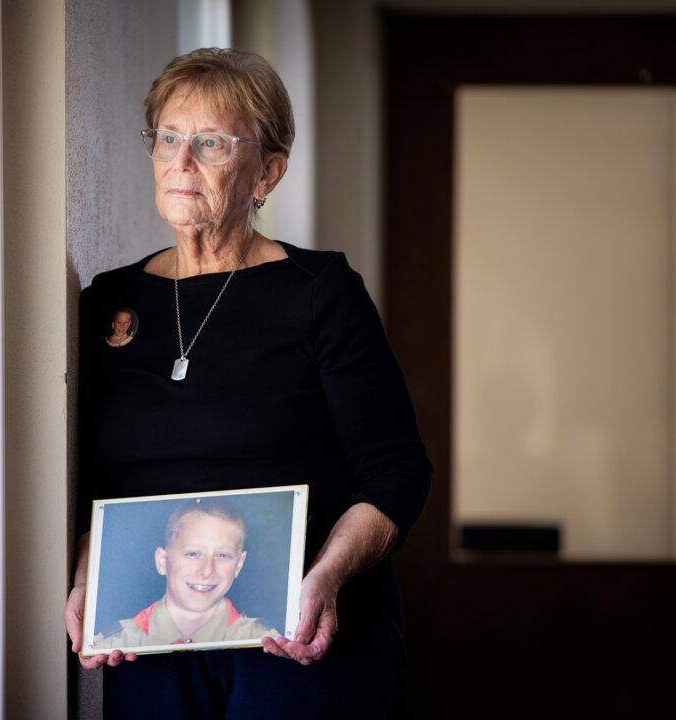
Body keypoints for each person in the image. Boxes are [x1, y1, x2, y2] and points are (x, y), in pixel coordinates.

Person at [63, 47, 432, 718]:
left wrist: (328, 577)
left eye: (210, 143)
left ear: (268, 171)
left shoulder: (321, 294)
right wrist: (91, 571)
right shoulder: (108, 303)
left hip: (300, 642)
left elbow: (397, 472)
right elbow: (91, 480)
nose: (181, 161)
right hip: (155, 646)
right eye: (169, 138)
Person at [93, 500, 277, 649]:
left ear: (239, 565)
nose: (207, 571)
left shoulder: (265, 641)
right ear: (162, 561)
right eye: (193, 554)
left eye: (223, 556)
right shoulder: (113, 644)